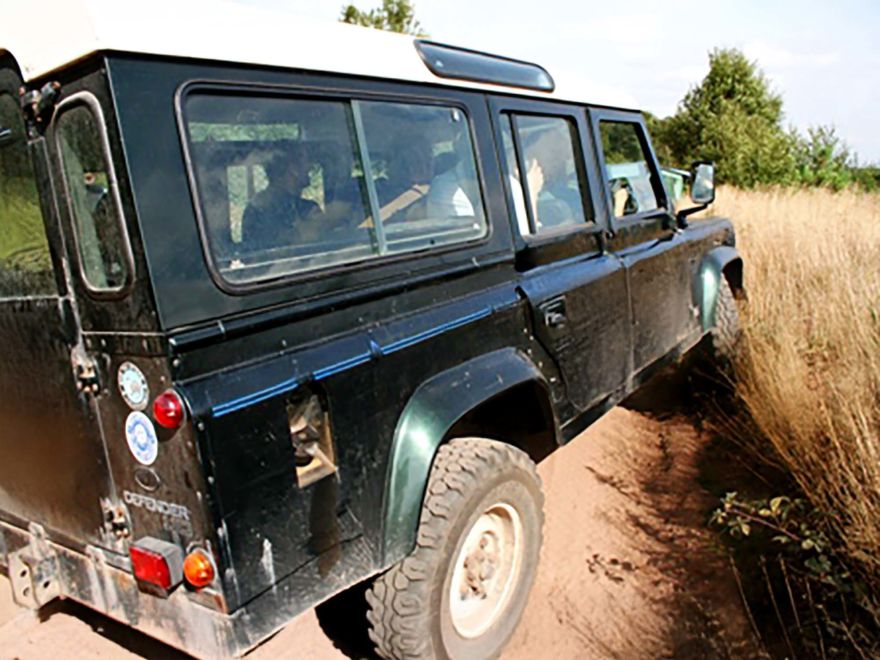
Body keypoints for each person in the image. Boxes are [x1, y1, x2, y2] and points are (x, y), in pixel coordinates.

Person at [242, 145, 319, 251]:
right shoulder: (259, 210)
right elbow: (258, 255)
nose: (310, 167)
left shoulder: (253, 209)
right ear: (293, 169)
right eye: (306, 162)